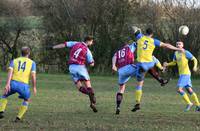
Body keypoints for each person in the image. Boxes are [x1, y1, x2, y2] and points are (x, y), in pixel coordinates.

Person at [130, 27, 184, 112]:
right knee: (153, 59)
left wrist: (137, 28)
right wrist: (178, 49)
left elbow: (134, 29)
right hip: (150, 64)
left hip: (141, 65)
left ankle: (137, 103)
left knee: (139, 85)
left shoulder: (140, 37)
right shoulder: (154, 41)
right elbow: (166, 45)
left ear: (145, 33)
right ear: (152, 34)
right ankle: (162, 74)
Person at [112, 42, 169, 114]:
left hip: (121, 71)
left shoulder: (117, 52)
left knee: (121, 89)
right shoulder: (129, 47)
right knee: (147, 65)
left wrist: (113, 65)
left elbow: (114, 57)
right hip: (129, 67)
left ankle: (118, 107)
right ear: (126, 46)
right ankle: (161, 78)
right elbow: (139, 42)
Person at [51, 36, 97, 112]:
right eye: (92, 41)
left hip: (71, 67)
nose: (92, 43)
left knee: (79, 87)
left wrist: (53, 47)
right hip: (80, 67)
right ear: (88, 41)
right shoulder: (87, 50)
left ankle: (90, 97)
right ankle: (92, 101)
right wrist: (90, 63)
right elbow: (92, 63)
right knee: (88, 86)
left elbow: (64, 44)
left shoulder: (75, 43)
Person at [0, 46, 37, 122]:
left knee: (4, 95)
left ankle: (1, 111)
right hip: (24, 86)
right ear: (29, 53)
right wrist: (34, 87)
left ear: (21, 53)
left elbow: (10, 72)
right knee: (27, 99)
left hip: (13, 84)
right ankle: (18, 118)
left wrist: (7, 84)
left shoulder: (14, 61)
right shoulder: (32, 63)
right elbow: (33, 76)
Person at [163, 41, 200, 112]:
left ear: (182, 45)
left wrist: (195, 67)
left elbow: (194, 59)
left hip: (185, 74)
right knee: (189, 90)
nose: (178, 45)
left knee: (179, 89)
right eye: (177, 44)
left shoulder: (185, 52)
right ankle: (198, 105)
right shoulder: (176, 53)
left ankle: (189, 103)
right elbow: (174, 63)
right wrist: (167, 64)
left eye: (179, 44)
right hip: (182, 74)